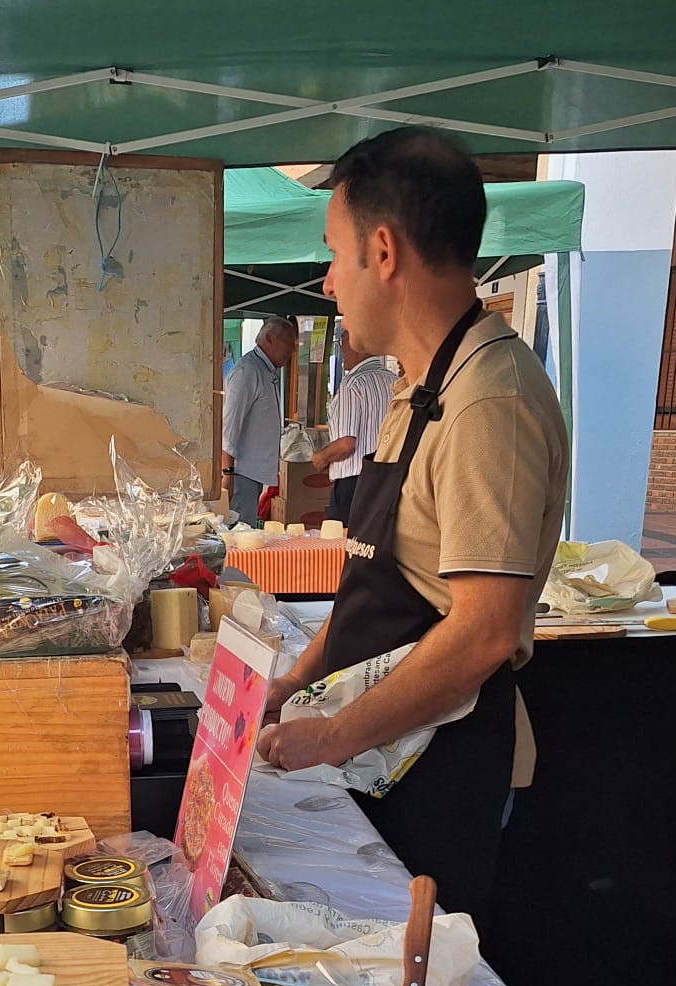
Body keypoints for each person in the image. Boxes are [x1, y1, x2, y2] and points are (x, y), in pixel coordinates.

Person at [256, 127, 569, 941]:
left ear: (384, 251)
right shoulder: (416, 389)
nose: (328, 282)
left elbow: (485, 631)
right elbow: (376, 582)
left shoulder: (487, 402)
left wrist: (332, 734)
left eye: (334, 253)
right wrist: (293, 684)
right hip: (379, 755)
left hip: (439, 768)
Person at [313, 330, 397, 523]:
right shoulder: (394, 381)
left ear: (355, 346)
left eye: (343, 346)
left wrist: (322, 457)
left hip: (355, 484)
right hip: (390, 479)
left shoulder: (353, 385)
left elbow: (345, 444)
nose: (342, 354)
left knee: (344, 546)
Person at [220, 314, 296, 527]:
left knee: (248, 532)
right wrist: (228, 474)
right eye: (288, 342)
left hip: (252, 474)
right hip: (241, 473)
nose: (292, 350)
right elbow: (229, 426)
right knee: (240, 537)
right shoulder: (248, 371)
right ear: (269, 339)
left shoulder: (265, 370)